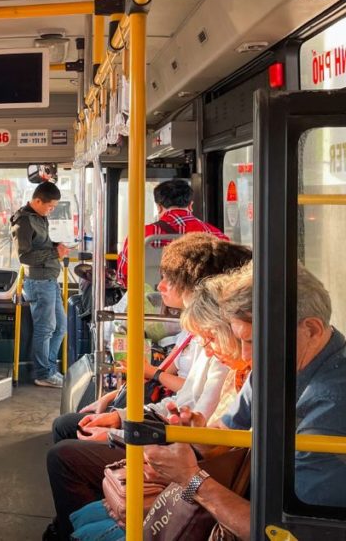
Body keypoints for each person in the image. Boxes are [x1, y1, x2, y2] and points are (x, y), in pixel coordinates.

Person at [43, 235, 251, 540]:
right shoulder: (218, 353)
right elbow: (194, 417)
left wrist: (121, 429)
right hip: (181, 446)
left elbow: (196, 432)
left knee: (63, 455)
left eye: (169, 278)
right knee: (67, 432)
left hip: (183, 460)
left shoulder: (230, 366)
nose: (161, 286)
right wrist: (121, 417)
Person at [144, 263, 346, 539]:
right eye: (241, 341)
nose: (246, 356)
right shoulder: (275, 370)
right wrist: (196, 435)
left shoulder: (332, 405)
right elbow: (226, 432)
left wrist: (191, 480)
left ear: (310, 329)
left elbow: (287, 533)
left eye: (254, 341)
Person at [115, 179, 227, 289]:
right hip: (203, 302)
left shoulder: (140, 235)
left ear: (159, 207)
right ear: (190, 205)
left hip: (153, 301)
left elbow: (123, 277)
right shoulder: (215, 235)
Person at [10, 181, 68, 387]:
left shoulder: (39, 218)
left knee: (61, 326)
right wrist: (54, 252)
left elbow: (40, 245)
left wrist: (55, 246)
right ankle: (43, 373)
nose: (51, 211)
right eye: (50, 206)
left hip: (50, 280)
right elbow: (24, 256)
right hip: (38, 281)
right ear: (37, 201)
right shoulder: (24, 222)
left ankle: (50, 368)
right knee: (46, 328)